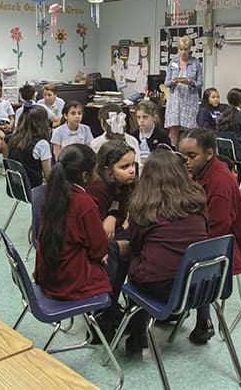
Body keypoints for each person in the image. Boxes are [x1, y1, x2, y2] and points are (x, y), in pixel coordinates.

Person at [125, 148, 212, 352]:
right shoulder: (198, 198)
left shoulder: (143, 205)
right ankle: (204, 322)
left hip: (162, 287)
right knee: (196, 261)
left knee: (135, 267)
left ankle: (138, 336)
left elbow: (136, 245)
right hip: (202, 287)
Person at [179, 129, 241, 343]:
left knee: (170, 257)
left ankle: (200, 317)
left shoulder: (218, 183)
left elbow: (215, 231)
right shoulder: (201, 173)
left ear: (209, 154)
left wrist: (182, 243)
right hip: (207, 240)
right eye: (182, 156)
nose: (185, 161)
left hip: (223, 250)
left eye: (192, 156)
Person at [34, 144, 111, 301]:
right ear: (84, 176)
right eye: (94, 170)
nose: (97, 174)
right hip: (70, 283)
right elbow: (99, 250)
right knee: (117, 254)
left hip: (48, 276)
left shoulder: (52, 193)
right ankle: (108, 316)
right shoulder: (84, 203)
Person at [86, 140, 137, 337]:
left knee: (132, 243)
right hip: (89, 243)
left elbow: (122, 212)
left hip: (106, 236)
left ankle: (112, 306)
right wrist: (114, 220)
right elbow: (90, 230)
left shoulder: (123, 184)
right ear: (108, 168)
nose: (131, 171)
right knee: (120, 250)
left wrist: (112, 217)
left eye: (132, 165)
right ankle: (103, 313)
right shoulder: (97, 189)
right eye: (124, 167)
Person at [163, 36, 203, 146]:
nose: (183, 52)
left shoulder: (195, 63)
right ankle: (173, 152)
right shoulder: (173, 62)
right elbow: (166, 82)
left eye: (185, 49)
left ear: (190, 49)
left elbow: (200, 83)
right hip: (175, 99)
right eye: (181, 49)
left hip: (190, 99)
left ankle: (189, 151)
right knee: (174, 127)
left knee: (190, 128)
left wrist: (190, 82)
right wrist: (173, 82)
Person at [8, 105, 53, 188]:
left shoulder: (13, 138)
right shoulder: (42, 144)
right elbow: (48, 176)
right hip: (34, 188)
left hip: (16, 187)